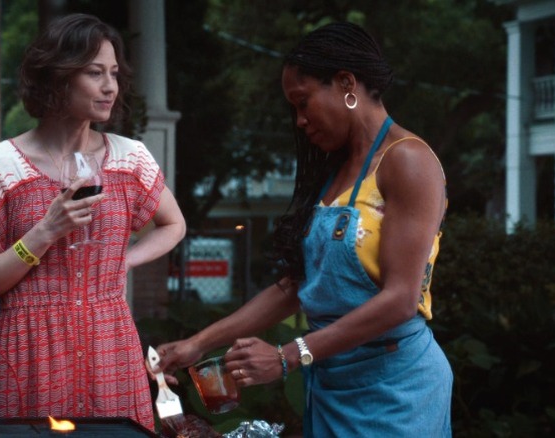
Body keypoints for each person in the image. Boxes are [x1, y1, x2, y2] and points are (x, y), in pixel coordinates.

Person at [151, 22, 452, 436]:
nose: (299, 121)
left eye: (303, 102)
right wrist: (198, 344)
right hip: (331, 384)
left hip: (396, 389)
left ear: (346, 83)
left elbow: (400, 299)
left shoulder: (409, 161)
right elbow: (296, 286)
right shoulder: (336, 171)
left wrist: (288, 356)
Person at [0, 13, 186, 430]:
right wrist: (44, 233)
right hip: (27, 352)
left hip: (110, 346)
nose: (110, 86)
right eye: (94, 72)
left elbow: (174, 225)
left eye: (114, 73)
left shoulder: (129, 158)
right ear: (58, 78)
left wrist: (126, 260)